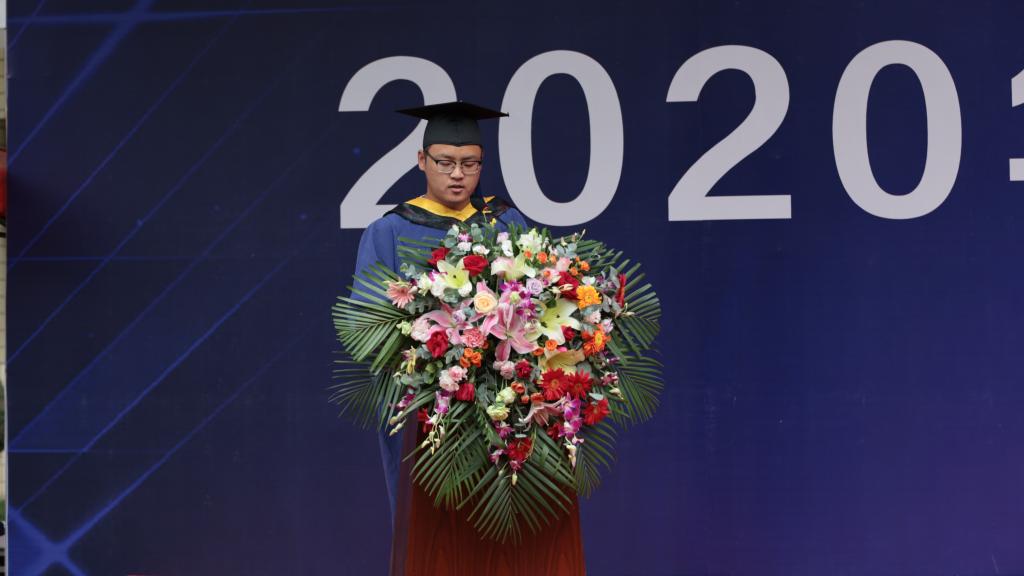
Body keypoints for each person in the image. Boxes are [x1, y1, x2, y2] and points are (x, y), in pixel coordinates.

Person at [350, 101, 586, 575]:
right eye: (445, 162)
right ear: (422, 161)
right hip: (433, 412)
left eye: (470, 163)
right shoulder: (389, 231)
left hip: (509, 407)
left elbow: (538, 301)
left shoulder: (506, 221)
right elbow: (365, 328)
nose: (457, 175)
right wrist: (436, 362)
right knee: (438, 542)